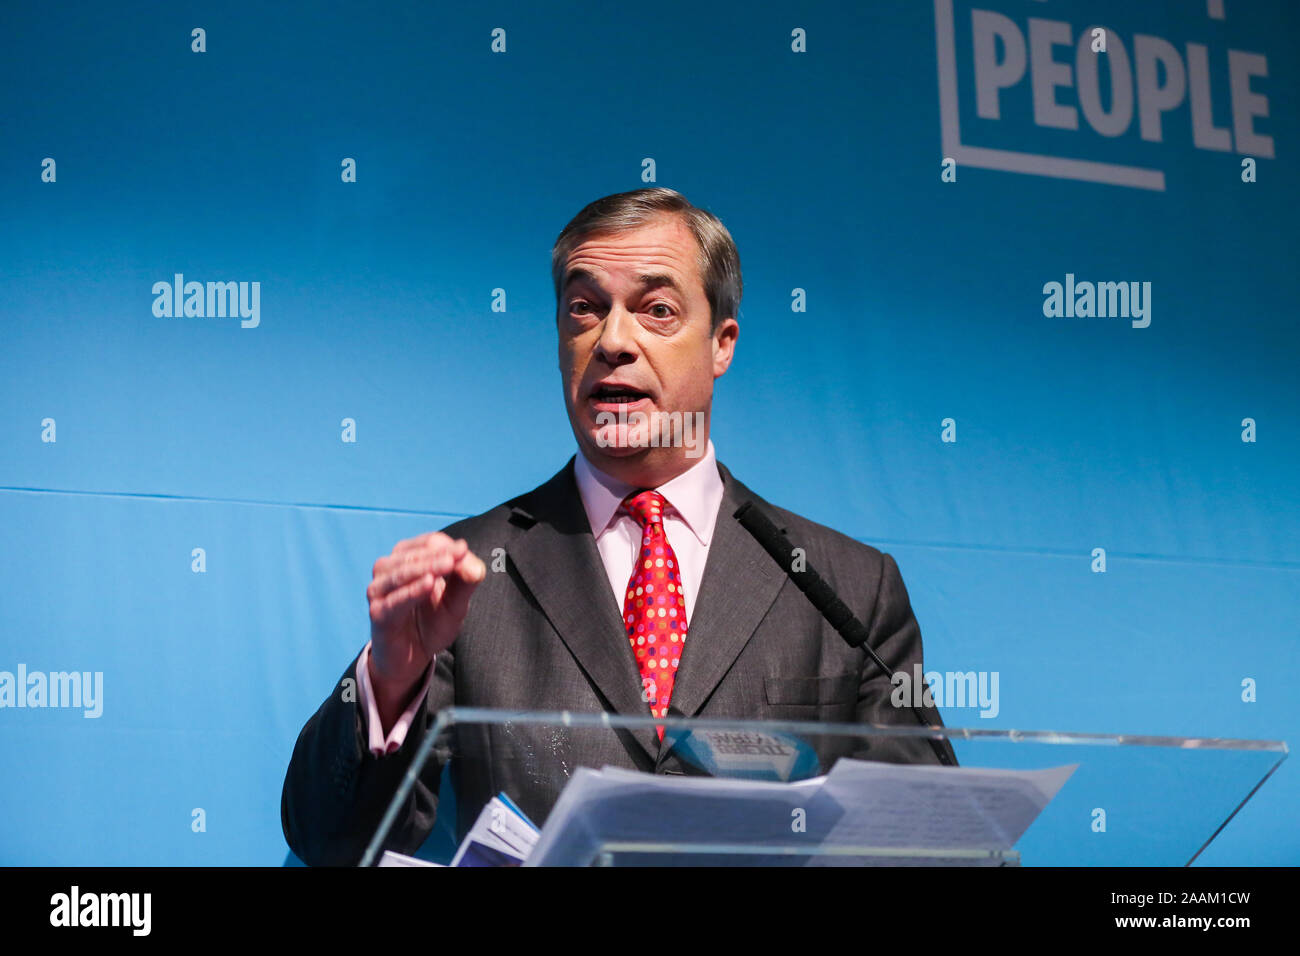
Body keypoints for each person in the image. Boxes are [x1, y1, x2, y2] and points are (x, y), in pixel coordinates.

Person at [281, 187, 956, 866]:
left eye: (656, 310)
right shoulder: (468, 573)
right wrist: (393, 680)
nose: (611, 340)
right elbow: (329, 841)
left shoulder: (846, 587)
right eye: (584, 308)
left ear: (722, 344)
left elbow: (928, 838)